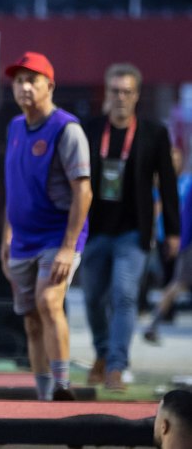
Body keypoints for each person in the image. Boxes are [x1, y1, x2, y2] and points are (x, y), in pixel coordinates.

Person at [0, 52, 92, 401]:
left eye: (32, 80)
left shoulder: (67, 130)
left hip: (57, 236)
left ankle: (63, 386)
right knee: (31, 320)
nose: (23, 87)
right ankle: (44, 397)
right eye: (19, 80)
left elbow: (84, 190)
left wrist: (69, 247)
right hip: (22, 239)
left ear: (49, 86)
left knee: (49, 301)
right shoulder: (15, 127)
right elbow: (15, 184)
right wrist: (7, 235)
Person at [81, 63, 180, 391]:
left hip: (133, 232)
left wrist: (174, 232)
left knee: (124, 296)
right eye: (114, 91)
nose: (120, 97)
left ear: (137, 95)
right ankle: (102, 352)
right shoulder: (90, 130)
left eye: (126, 92)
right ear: (106, 94)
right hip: (93, 229)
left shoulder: (154, 133)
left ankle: (116, 366)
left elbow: (167, 184)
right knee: (93, 298)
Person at [144, 172, 192, 343]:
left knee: (176, 285)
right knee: (177, 284)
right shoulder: (189, 183)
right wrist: (183, 244)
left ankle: (153, 324)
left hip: (184, 243)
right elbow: (186, 217)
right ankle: (153, 323)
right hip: (187, 246)